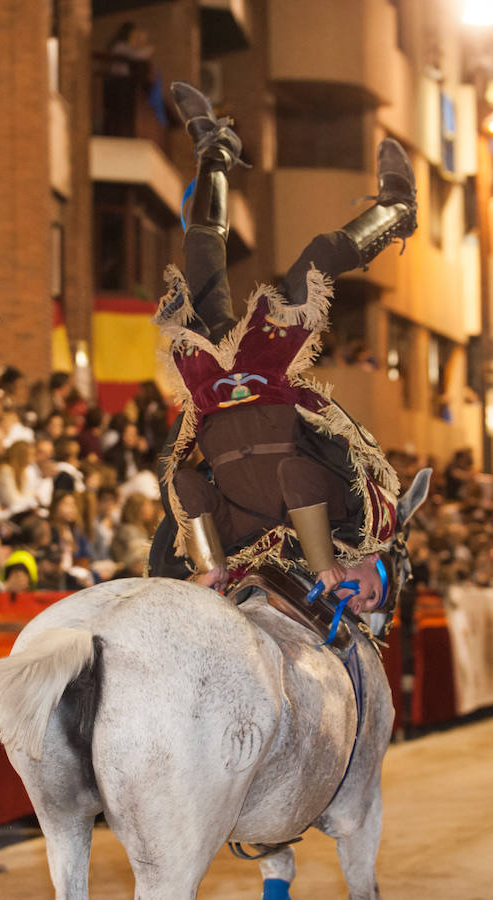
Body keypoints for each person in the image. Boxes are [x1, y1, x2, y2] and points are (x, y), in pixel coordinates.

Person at [150, 81, 418, 615]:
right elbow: (297, 476)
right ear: (381, 570)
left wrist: (209, 564)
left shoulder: (263, 544)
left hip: (209, 391)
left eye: (360, 603)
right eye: (370, 594)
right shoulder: (365, 517)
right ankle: (397, 210)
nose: (358, 597)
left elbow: (184, 483)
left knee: (201, 244)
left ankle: (216, 150)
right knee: (318, 256)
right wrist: (327, 565)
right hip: (265, 375)